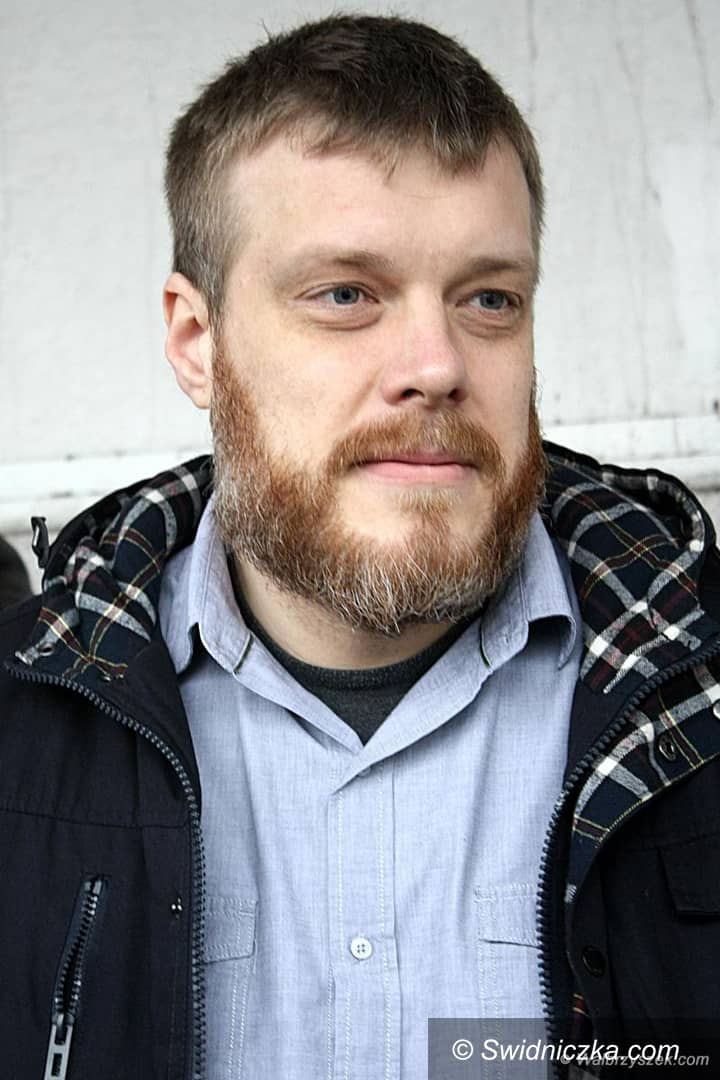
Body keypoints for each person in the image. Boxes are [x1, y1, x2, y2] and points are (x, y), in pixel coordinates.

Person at [1, 14, 719, 1080]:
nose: (436, 364)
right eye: (346, 295)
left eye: (489, 299)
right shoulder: (23, 727)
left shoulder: (697, 700)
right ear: (197, 342)